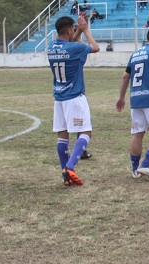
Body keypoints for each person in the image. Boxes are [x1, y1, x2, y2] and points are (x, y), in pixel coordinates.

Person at [47, 14, 99, 186]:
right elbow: (94, 47)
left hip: (59, 98)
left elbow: (69, 43)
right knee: (86, 132)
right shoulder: (74, 49)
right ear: (69, 30)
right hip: (75, 97)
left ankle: (66, 176)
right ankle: (70, 167)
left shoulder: (51, 47)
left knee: (63, 135)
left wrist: (77, 31)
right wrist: (85, 31)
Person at [117, 28, 149, 180]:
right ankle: (144, 165)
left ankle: (134, 169)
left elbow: (126, 77)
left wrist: (121, 97)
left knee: (138, 134)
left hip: (136, 99)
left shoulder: (135, 54)